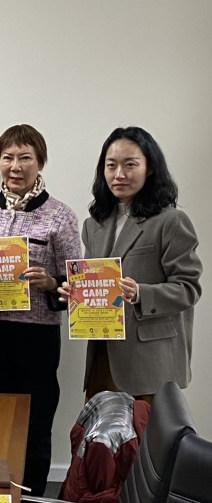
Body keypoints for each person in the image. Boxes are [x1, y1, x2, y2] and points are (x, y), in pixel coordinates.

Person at [0, 125, 81, 496]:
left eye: (25, 157)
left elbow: (78, 287)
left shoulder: (60, 217)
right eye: (8, 158)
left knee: (36, 428)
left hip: (37, 340)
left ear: (40, 162)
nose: (16, 166)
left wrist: (51, 283)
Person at [58, 127, 202, 403]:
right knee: (101, 443)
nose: (119, 174)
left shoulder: (171, 221)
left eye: (130, 165)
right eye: (110, 166)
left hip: (151, 362)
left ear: (149, 168)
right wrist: (74, 295)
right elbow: (96, 284)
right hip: (103, 355)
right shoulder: (94, 225)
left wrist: (140, 293)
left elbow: (188, 289)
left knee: (147, 444)